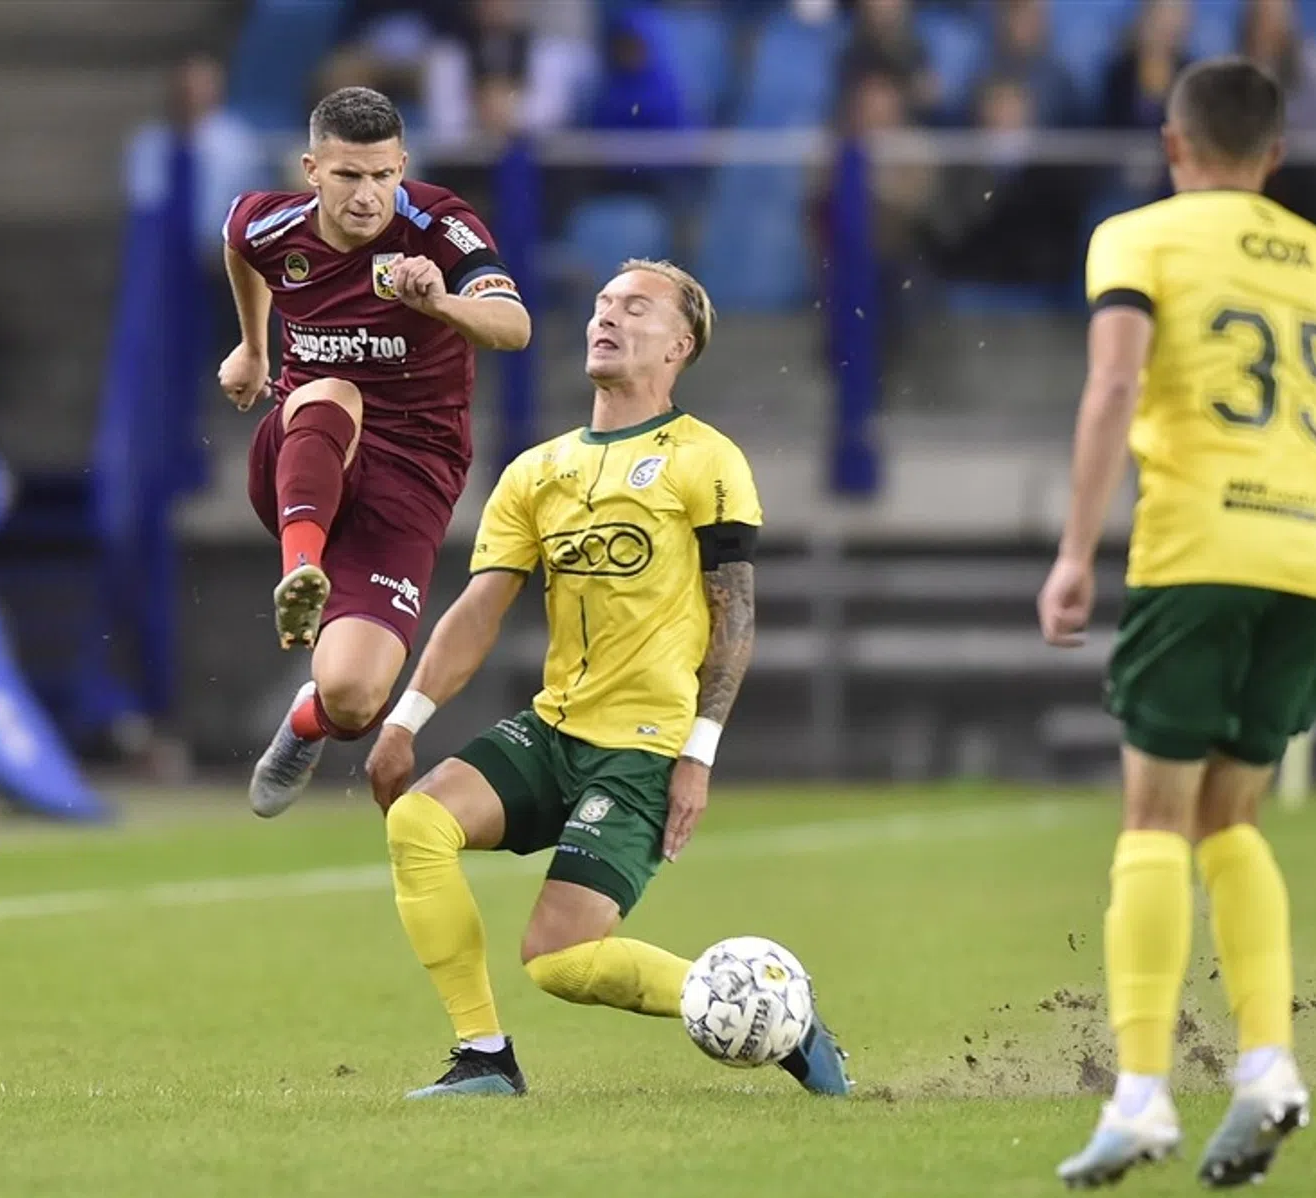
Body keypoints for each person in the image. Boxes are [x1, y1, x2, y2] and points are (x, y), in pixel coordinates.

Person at [361, 260, 851, 1100]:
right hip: (555, 729)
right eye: (599, 304)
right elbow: (478, 610)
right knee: (418, 823)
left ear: (678, 344)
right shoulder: (536, 470)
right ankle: (484, 1057)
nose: (607, 317)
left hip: (643, 748)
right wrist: (405, 719)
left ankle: (779, 1016)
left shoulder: (707, 459)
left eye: (634, 306)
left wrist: (697, 753)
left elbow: (733, 619)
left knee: (558, 961)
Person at [1038, 58, 1316, 1188]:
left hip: (1202, 540)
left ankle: (1137, 1098)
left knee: (1152, 812)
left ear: (1172, 146)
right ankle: (1267, 1067)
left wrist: (1076, 550)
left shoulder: (1139, 237)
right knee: (1234, 813)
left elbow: (1116, 385)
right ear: (1274, 155)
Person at [219, 87, 531, 817]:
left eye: (383, 176)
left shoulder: (440, 227)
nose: (367, 196)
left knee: (356, 697)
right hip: (305, 450)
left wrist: (439, 305)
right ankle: (300, 574)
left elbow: (513, 327)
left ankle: (307, 720)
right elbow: (239, 245)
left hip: (414, 471)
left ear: (403, 167)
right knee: (333, 391)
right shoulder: (268, 222)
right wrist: (253, 348)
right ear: (311, 170)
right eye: (348, 176)